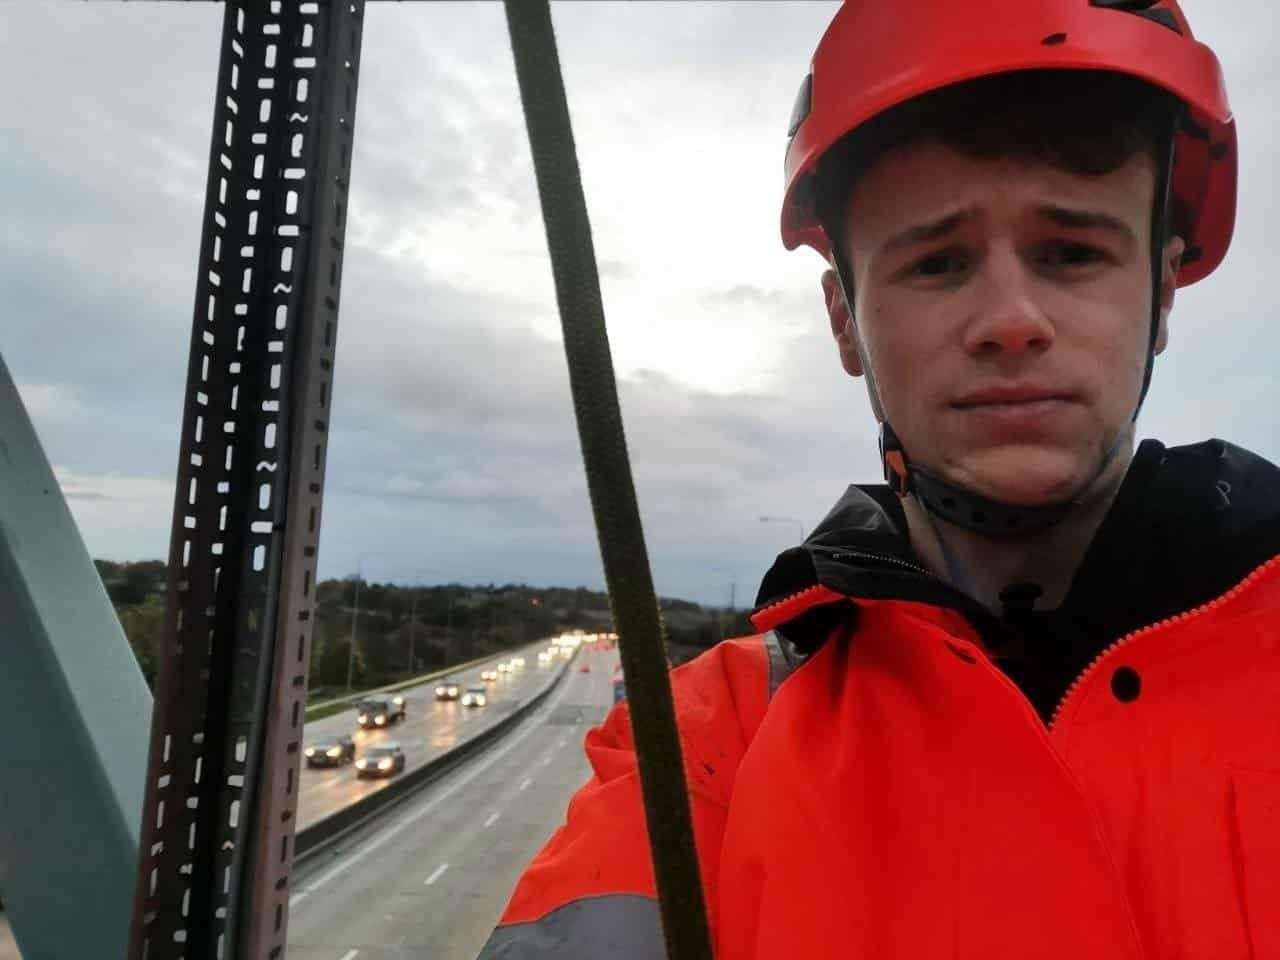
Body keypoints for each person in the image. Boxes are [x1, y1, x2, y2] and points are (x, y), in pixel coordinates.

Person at [478, 1, 1280, 956]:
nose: (1010, 320)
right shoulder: (706, 743)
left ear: (1158, 294)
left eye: (1072, 253)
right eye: (938, 263)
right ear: (845, 322)